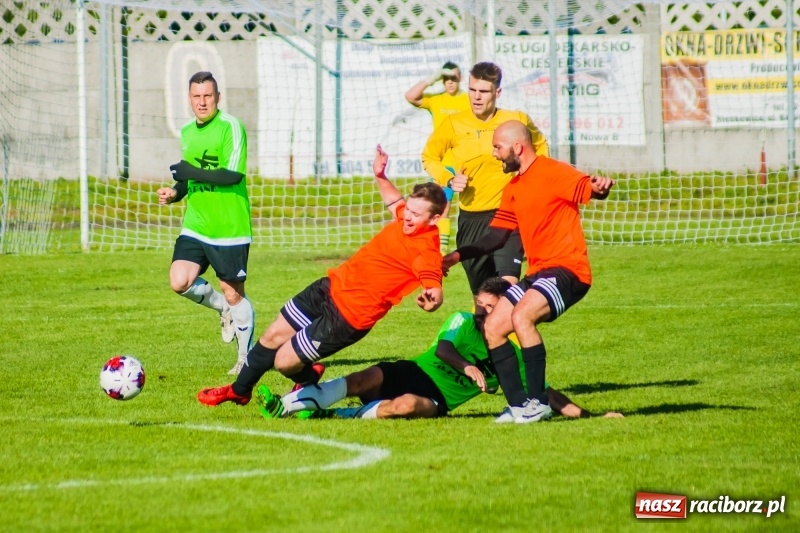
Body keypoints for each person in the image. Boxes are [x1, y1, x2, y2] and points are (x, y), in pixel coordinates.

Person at [197, 145, 448, 407]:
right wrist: (380, 176)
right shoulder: (406, 217)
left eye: (416, 214)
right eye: (409, 209)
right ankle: (239, 390)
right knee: (272, 335)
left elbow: (434, 287)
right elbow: (395, 202)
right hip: (328, 287)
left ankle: (310, 382)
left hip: (348, 317)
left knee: (284, 362)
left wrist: (432, 298)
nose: (407, 216)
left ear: (435, 219)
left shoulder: (426, 251)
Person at [256, 278, 623, 421]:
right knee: (364, 377)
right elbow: (445, 349)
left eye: (489, 307)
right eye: (479, 303)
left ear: (508, 309)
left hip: (437, 399)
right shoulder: (463, 320)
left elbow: (545, 393)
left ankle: (329, 417)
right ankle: (288, 405)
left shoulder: (510, 351)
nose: (481, 311)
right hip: (417, 370)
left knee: (405, 406)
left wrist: (589, 416)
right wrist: (468, 367)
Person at [443, 120, 616, 424]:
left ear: (517, 147)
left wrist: (598, 188)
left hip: (569, 269)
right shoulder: (513, 188)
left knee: (522, 315)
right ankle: (519, 406)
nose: (495, 154)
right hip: (540, 272)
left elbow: (586, 187)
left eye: (498, 147)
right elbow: (495, 237)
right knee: (493, 326)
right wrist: (454, 256)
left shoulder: (553, 171)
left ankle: (538, 403)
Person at [421, 61, 549, 302]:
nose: (476, 97)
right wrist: (449, 179)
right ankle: (486, 337)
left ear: (497, 93)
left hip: (508, 215)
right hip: (472, 220)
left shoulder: (516, 119)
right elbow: (429, 157)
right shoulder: (453, 123)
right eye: (472, 90)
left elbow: (540, 146)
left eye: (483, 91)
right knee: (482, 301)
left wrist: (533, 178)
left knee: (507, 290)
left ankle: (513, 335)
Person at [157, 71, 254, 376]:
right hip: (196, 223)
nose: (202, 102)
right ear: (189, 99)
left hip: (229, 227)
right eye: (196, 96)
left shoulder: (231, 127)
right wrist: (175, 193)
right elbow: (188, 178)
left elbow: (232, 175)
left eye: (207, 96)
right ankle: (223, 310)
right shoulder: (187, 131)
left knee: (233, 291)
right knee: (179, 280)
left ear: (217, 98)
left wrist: (190, 172)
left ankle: (244, 359)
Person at [405, 61, 471, 254]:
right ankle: (441, 250)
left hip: (467, 161)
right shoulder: (437, 100)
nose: (450, 82)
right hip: (446, 163)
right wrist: (431, 79)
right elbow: (410, 96)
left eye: (454, 78)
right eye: (446, 78)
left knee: (472, 205)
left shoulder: (468, 100)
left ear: (461, 79)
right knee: (444, 204)